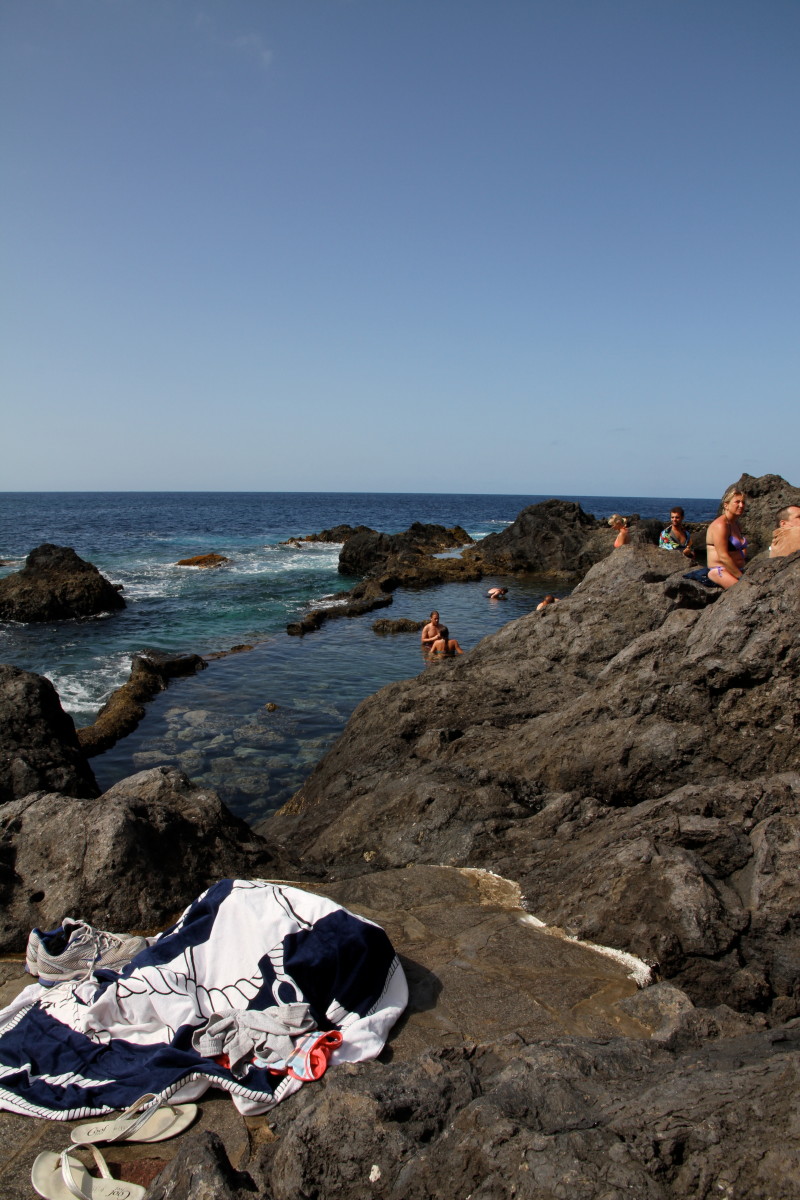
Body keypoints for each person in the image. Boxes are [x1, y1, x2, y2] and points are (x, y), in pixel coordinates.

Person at [706, 486, 747, 588]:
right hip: (720, 571)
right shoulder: (720, 525)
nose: (741, 505)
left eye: (743, 502)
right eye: (737, 502)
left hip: (737, 569)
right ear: (726, 505)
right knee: (745, 590)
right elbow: (723, 556)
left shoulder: (736, 524)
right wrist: (741, 577)